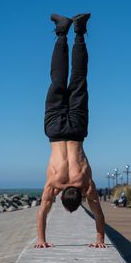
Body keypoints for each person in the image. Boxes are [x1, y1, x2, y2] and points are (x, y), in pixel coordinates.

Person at [34, 13, 107, 249]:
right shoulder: (53, 183)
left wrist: (99, 239)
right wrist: (41, 240)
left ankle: (79, 32)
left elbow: (98, 214)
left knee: (78, 79)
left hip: (76, 129)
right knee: (56, 80)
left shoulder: (85, 183)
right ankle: (62, 33)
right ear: (61, 197)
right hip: (55, 130)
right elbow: (42, 213)